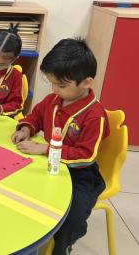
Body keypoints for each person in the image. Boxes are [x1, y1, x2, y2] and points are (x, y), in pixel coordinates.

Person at [11, 38, 109, 255]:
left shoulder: (94, 115)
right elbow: (35, 116)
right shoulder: (54, 99)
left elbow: (86, 156)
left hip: (80, 175)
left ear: (86, 82)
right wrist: (26, 128)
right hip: (48, 163)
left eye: (61, 85)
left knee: (72, 219)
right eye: (51, 83)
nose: (54, 89)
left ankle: (63, 247)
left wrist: (46, 149)